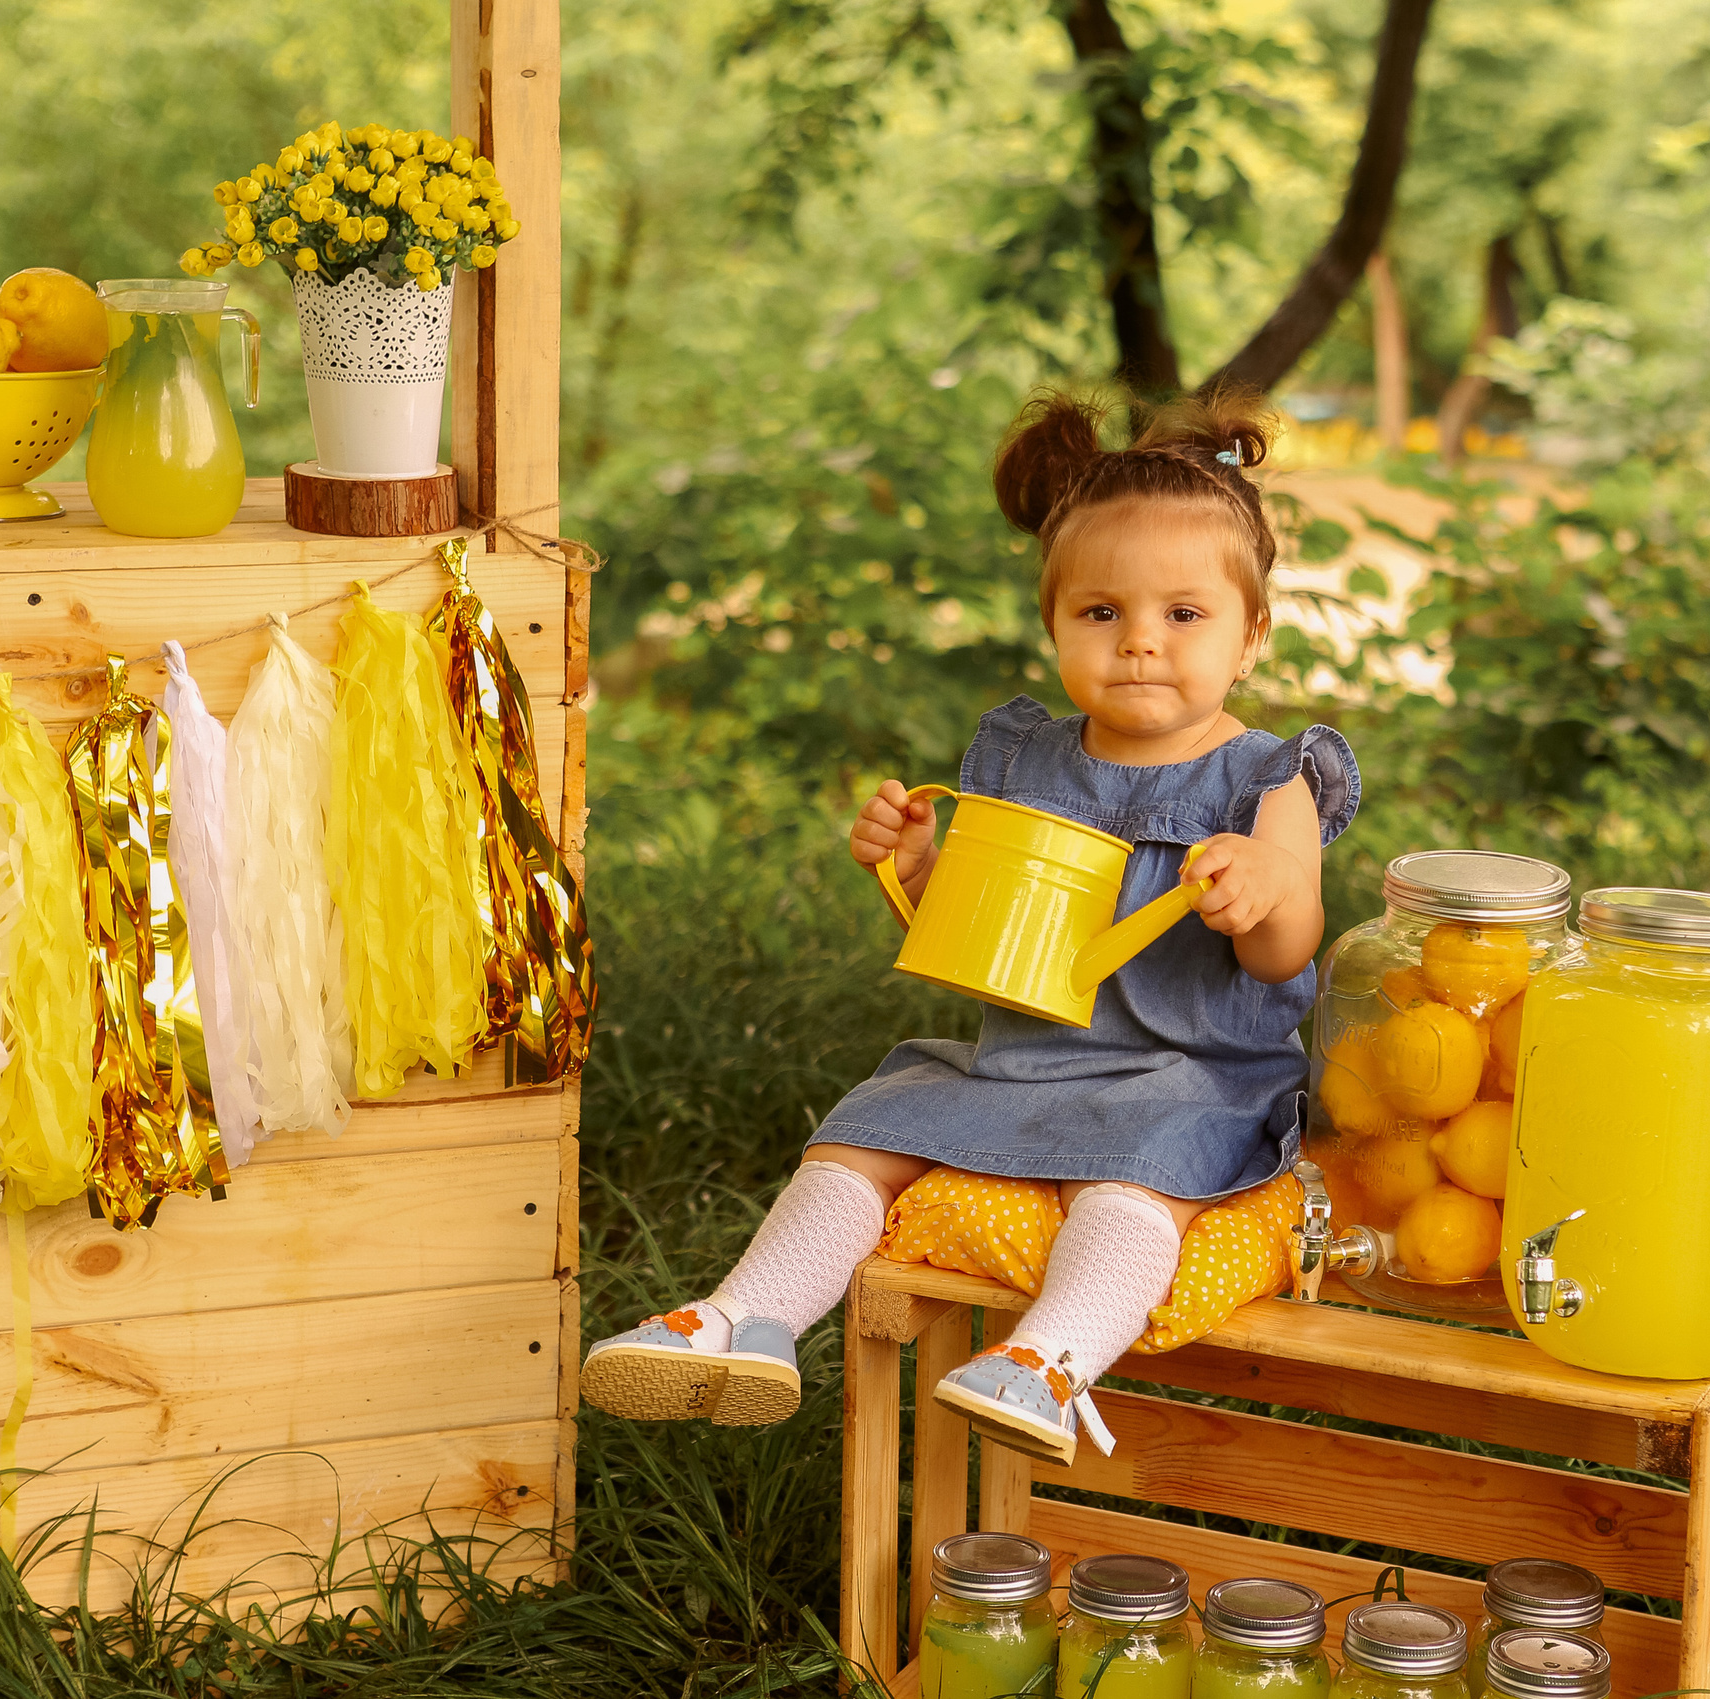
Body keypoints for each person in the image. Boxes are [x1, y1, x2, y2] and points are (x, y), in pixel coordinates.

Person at [579, 386, 1359, 1464]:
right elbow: (986, 931)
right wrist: (914, 867)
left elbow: (1289, 953)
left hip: (1189, 1074)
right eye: (1100, 614)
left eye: (1182, 616)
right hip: (1026, 1062)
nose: (1139, 644)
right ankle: (744, 1319)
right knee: (868, 1122)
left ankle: (1046, 1364)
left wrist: (1263, 895)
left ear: (1250, 633)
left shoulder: (1269, 779)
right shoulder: (1029, 761)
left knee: (1134, 1176)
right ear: (1053, 625)